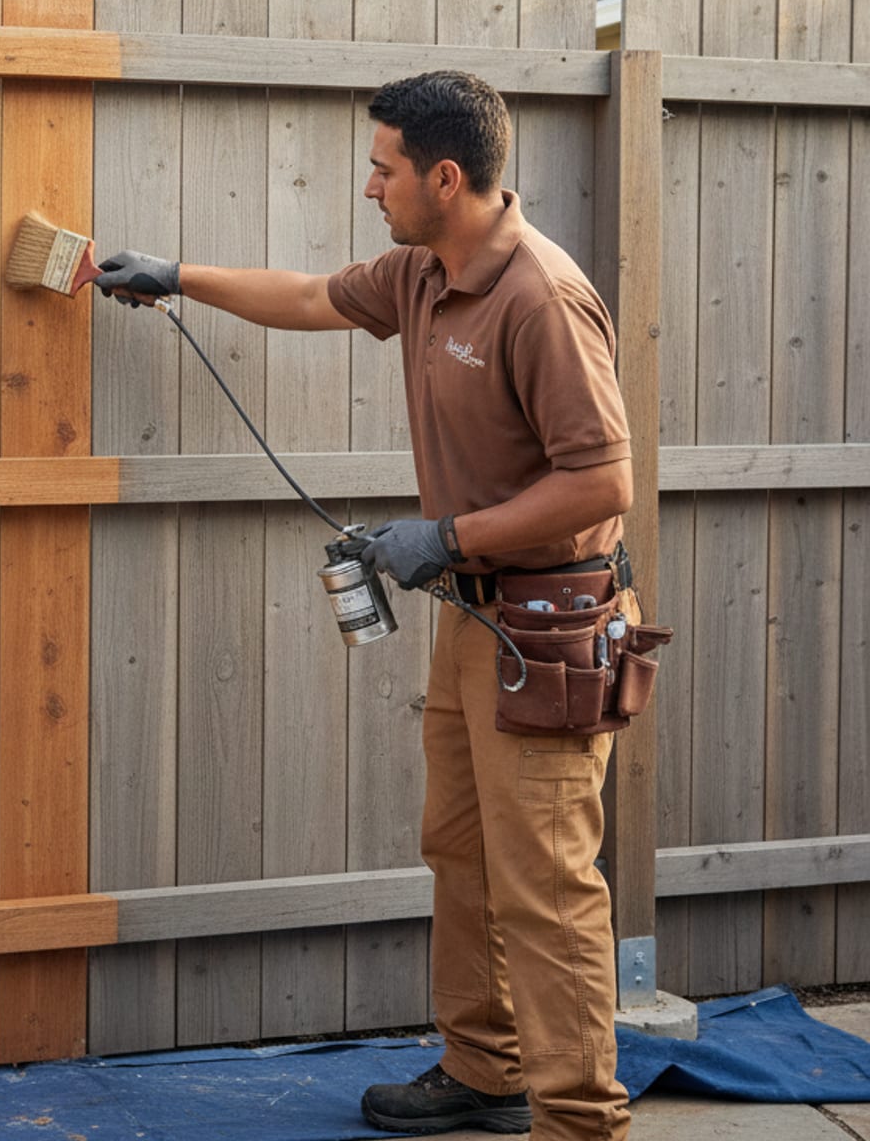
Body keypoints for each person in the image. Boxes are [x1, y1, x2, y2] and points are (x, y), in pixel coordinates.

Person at [92, 70, 634, 1141]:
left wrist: (446, 537)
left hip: (550, 628)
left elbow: (602, 483)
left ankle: (581, 1122)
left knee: (546, 885)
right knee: (462, 851)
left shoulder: (539, 299)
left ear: (444, 176)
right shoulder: (427, 273)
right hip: (475, 622)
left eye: (382, 169)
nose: (368, 185)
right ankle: (488, 1070)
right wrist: (174, 276)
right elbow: (308, 296)